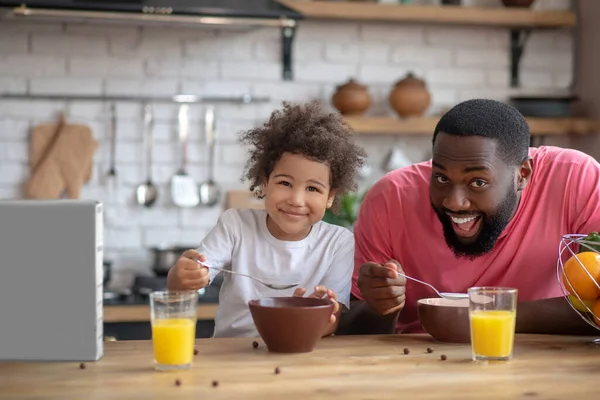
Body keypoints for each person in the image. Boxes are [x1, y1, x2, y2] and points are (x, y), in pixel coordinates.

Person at [337, 98, 600, 336]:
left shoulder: (575, 179)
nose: (454, 201)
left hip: (544, 361)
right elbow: (352, 328)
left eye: (477, 182)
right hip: (418, 364)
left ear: (522, 174)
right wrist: (381, 305)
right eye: (441, 177)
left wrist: (487, 316)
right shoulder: (391, 198)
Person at [167, 101, 367, 338]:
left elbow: (333, 321)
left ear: (330, 197)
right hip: (230, 354)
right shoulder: (236, 225)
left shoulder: (338, 242)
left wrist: (321, 313)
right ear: (265, 183)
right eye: (285, 183)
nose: (296, 199)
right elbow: (184, 283)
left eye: (313, 189)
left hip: (301, 356)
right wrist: (183, 276)